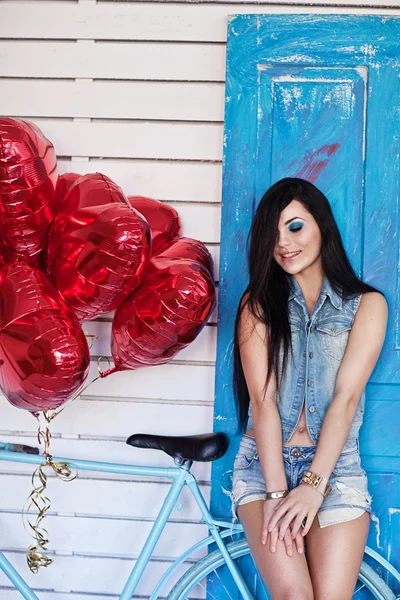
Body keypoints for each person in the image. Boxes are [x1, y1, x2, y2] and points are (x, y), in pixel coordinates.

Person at [230, 177, 388, 600]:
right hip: (265, 468)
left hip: (336, 467)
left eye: (295, 227)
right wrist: (278, 493)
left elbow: (346, 399)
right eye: (274, 232)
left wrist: (314, 486)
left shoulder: (367, 305)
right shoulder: (258, 305)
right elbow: (263, 404)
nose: (283, 242)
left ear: (322, 225)